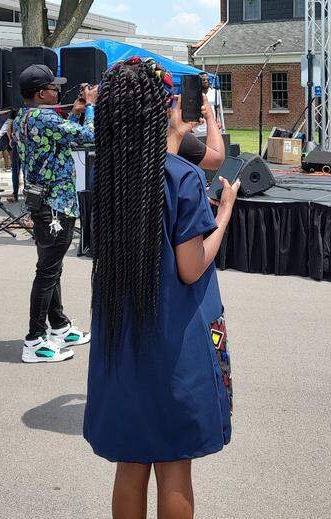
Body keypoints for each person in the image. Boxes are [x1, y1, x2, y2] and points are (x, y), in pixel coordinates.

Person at [83, 57, 241, 519]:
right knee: (174, 463)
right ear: (160, 109)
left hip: (122, 335)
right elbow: (191, 268)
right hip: (173, 337)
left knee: (130, 462)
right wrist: (224, 213)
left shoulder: (109, 175)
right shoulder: (181, 176)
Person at [12, 63, 96, 362]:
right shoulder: (44, 117)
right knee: (48, 271)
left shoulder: (23, 117)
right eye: (53, 89)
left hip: (43, 202)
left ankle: (58, 325)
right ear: (40, 93)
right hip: (55, 205)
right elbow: (87, 137)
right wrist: (91, 108)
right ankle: (35, 340)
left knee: (51, 267)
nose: (58, 92)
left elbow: (59, 139)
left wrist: (74, 113)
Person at [174, 73, 226, 171]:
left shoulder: (214, 92)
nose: (206, 81)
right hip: (196, 129)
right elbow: (216, 159)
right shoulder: (175, 136)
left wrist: (216, 120)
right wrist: (209, 117)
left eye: (208, 79)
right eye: (203, 79)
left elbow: (218, 108)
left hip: (206, 128)